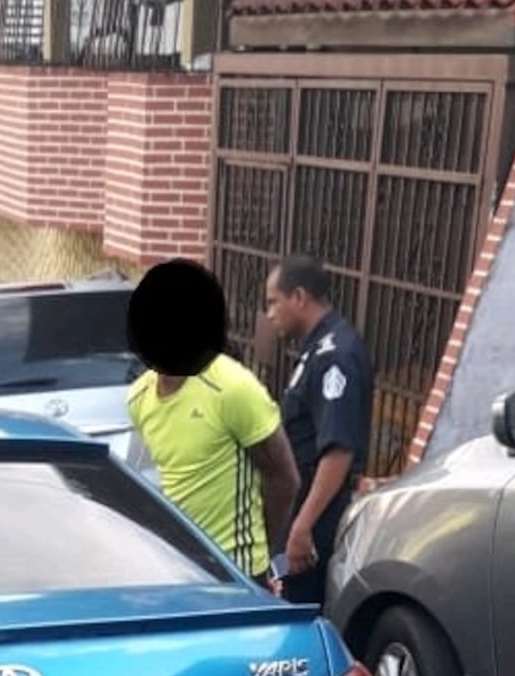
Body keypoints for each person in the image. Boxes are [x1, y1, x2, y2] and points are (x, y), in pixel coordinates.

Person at [127, 259, 297, 586]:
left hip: (236, 571)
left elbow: (283, 479)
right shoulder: (138, 398)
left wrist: (260, 560)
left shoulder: (232, 387)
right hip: (179, 568)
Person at [264, 255, 374, 607]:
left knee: (298, 618)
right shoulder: (317, 350)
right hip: (300, 514)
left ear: (298, 297)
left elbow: (338, 451)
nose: (269, 314)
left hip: (315, 523)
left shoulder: (334, 356)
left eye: (273, 302)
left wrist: (302, 526)